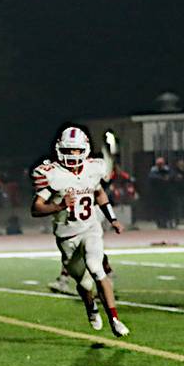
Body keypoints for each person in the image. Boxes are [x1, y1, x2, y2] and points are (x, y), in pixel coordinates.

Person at [31, 126, 128, 335]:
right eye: (68, 150)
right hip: (67, 237)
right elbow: (36, 208)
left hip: (91, 230)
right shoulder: (52, 174)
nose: (72, 155)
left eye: (76, 151)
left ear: (84, 150)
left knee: (96, 268)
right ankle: (91, 307)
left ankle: (114, 319)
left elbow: (99, 192)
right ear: (60, 150)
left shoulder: (93, 168)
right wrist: (58, 206)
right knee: (84, 284)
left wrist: (113, 218)